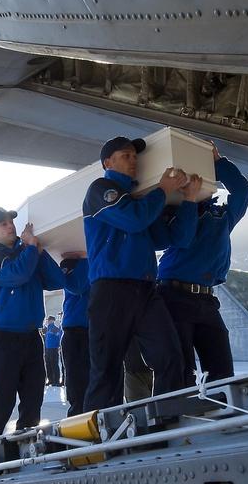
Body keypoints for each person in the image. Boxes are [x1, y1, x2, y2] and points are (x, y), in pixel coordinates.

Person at [81, 136, 204, 413]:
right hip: (111, 291)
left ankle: (165, 421)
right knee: (107, 371)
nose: (134, 161)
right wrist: (161, 190)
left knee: (171, 358)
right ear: (107, 162)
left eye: (135, 157)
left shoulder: (142, 203)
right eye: (126, 156)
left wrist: (189, 201)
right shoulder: (101, 190)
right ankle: (98, 443)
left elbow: (176, 239)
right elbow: (133, 219)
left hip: (146, 291)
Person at [157, 143, 248, 385]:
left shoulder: (222, 216)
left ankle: (219, 415)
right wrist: (189, 200)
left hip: (206, 300)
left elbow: (242, 192)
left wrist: (219, 163)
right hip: (173, 296)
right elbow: (182, 238)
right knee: (181, 371)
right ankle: (176, 419)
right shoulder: (173, 212)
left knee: (222, 370)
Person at [0, 207, 64, 440]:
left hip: (32, 339)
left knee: (33, 404)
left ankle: (23, 455)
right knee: (2, 406)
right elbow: (19, 274)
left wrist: (39, 251)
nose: (10, 226)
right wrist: (31, 249)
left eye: (10, 222)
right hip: (5, 340)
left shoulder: (29, 254)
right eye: (2, 223)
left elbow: (57, 280)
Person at [59, 255, 90, 416]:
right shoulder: (69, 263)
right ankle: (77, 416)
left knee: (92, 378)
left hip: (93, 329)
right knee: (75, 380)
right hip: (74, 331)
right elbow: (78, 286)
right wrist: (86, 259)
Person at [42, 316, 63, 386]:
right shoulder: (48, 328)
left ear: (52, 321)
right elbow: (43, 331)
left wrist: (58, 345)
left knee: (54, 364)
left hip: (53, 348)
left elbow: (58, 336)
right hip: (47, 349)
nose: (47, 321)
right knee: (48, 364)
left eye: (49, 320)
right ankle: (50, 379)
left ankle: (56, 380)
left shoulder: (55, 328)